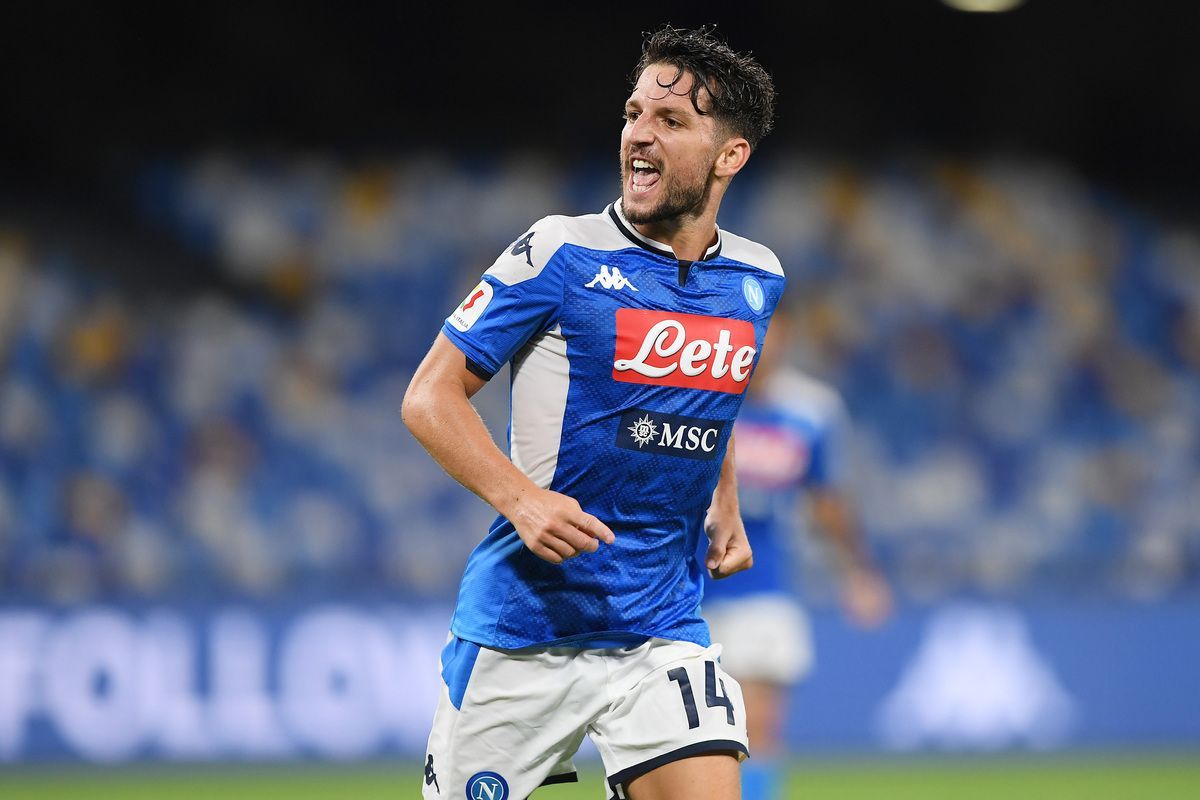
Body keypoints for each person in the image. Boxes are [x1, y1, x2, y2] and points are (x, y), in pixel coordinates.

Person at [402, 25, 781, 800]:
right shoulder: (560, 252)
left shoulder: (756, 277)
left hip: (660, 626)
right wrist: (522, 500)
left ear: (730, 156)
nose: (639, 133)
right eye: (634, 113)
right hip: (527, 627)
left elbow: (714, 391)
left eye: (670, 120)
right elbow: (429, 396)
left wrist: (726, 495)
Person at [702, 310, 892, 800]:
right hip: (687, 587)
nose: (761, 345)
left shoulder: (812, 410)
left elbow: (827, 501)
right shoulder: (697, 393)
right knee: (694, 737)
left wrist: (858, 573)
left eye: (770, 334)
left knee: (757, 729)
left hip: (765, 587)